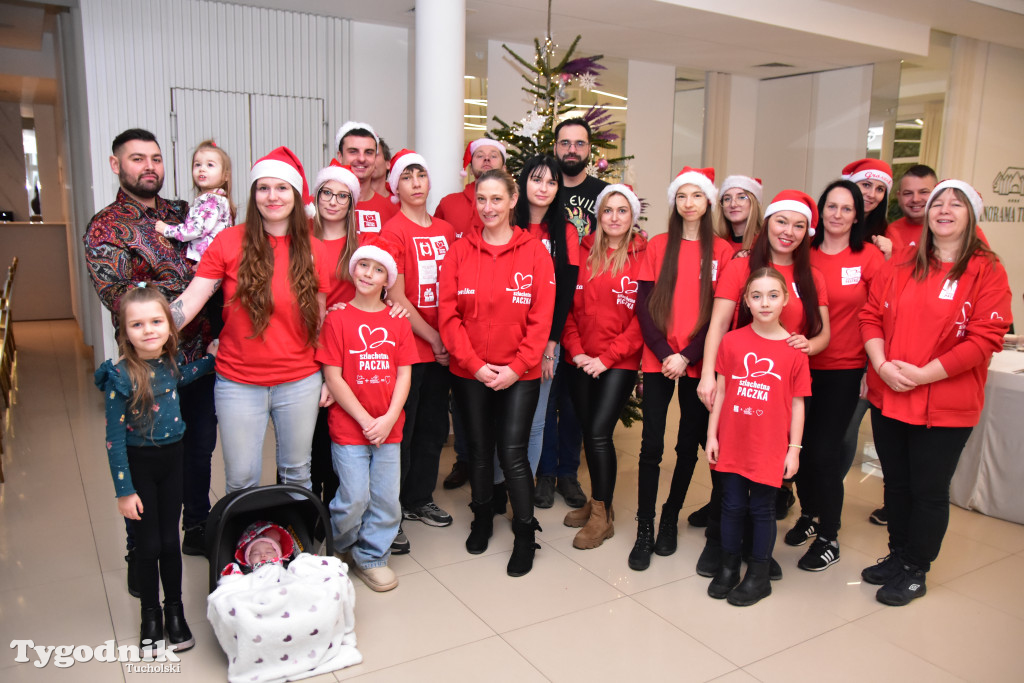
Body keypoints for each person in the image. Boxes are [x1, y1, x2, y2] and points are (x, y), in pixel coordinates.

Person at [859, 179, 1011, 606]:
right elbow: (870, 317)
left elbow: (985, 339)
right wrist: (882, 364)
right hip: (890, 393)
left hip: (944, 403)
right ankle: (898, 554)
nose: (943, 209)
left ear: (971, 215)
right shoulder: (903, 264)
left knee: (927, 489)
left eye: (955, 203)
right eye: (937, 203)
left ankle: (916, 568)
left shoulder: (987, 269)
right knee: (897, 486)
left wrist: (925, 375)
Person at [83, 128, 218, 583]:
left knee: (198, 448)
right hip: (147, 370)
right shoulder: (105, 228)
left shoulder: (186, 213)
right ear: (116, 165)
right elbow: (121, 300)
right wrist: (189, 298)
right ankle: (138, 548)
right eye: (138, 159)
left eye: (156, 158)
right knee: (147, 458)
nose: (150, 167)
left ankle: (195, 525)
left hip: (201, 356)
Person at [170, 146, 330, 493]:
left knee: (297, 474)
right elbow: (192, 299)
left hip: (300, 381)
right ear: (253, 193)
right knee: (241, 479)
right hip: (238, 383)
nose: (272, 196)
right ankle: (246, 546)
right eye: (263, 187)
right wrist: (145, 337)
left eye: (282, 188)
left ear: (295, 193)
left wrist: (329, 376)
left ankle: (294, 544)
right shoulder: (229, 242)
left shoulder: (315, 251)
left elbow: (321, 322)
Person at [697, 189, 829, 578]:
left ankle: (758, 551)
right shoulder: (741, 266)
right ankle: (720, 543)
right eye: (781, 221)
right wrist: (708, 375)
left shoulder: (811, 275)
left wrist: (808, 345)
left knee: (766, 481)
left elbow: (823, 334)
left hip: (782, 381)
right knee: (729, 472)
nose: (788, 231)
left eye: (799, 225)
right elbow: (719, 324)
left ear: (807, 232)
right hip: (736, 377)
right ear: (766, 223)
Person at [439, 169, 555, 577]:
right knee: (479, 450)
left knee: (513, 453)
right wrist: (475, 365)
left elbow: (542, 319)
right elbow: (448, 315)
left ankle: (525, 533)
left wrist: (516, 366)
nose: (488, 207)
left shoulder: (535, 252)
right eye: (481, 199)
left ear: (512, 201)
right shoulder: (458, 252)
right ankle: (483, 517)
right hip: (470, 371)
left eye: (496, 199)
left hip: (518, 374)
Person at [95, 284, 216, 654]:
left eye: (156, 321)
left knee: (168, 543)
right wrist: (124, 491)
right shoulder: (120, 377)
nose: (148, 330)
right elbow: (114, 440)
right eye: (137, 324)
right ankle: (150, 614)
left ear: (169, 326)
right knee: (147, 545)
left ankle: (174, 611)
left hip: (172, 461)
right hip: (140, 468)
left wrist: (212, 359)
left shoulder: (169, 364)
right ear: (124, 332)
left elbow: (182, 378)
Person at [629, 167, 734, 571]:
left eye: (698, 196)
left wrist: (687, 355)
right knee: (651, 446)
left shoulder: (722, 252)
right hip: (658, 360)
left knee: (687, 444)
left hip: (698, 362)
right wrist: (662, 351)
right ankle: (645, 527)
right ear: (676, 202)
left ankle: (670, 518)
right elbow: (644, 304)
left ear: (708, 202)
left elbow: (719, 314)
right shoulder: (658, 245)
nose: (689, 203)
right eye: (683, 196)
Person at [785, 180, 885, 571]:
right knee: (801, 449)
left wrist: (872, 367)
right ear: (820, 212)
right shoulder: (802, 254)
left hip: (845, 369)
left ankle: (830, 536)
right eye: (831, 206)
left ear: (857, 215)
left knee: (825, 453)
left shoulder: (870, 258)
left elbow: (881, 316)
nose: (838, 215)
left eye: (847, 208)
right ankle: (810, 514)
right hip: (799, 367)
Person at [705, 268, 810, 606]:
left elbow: (797, 405)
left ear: (785, 300)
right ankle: (729, 565)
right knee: (732, 506)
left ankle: (759, 575)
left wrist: (794, 450)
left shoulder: (795, 351)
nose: (765, 303)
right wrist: (712, 436)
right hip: (733, 441)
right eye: (756, 296)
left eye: (773, 295)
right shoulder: (733, 341)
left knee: (762, 509)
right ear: (746, 302)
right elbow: (721, 391)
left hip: (770, 447)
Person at [318, 242, 416, 593]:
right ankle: (341, 545)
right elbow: (333, 375)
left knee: (387, 498)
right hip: (349, 428)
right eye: (363, 266)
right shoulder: (337, 317)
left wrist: (388, 418)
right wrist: (364, 420)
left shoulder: (397, 321)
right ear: (353, 269)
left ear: (387, 280)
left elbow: (404, 375)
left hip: (389, 428)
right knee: (354, 496)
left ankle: (373, 556)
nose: (368, 274)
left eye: (378, 270)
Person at [561, 184, 646, 549]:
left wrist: (606, 359)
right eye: (608, 210)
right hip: (579, 358)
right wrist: (578, 352)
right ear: (599, 215)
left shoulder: (644, 255)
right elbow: (565, 305)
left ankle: (601, 516)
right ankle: (600, 502)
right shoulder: (581, 251)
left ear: (633, 217)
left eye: (622, 210)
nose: (614, 217)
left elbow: (644, 318)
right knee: (587, 431)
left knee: (598, 432)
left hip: (618, 362)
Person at [380, 149, 456, 531]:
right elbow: (396, 296)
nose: (415, 183)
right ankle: (391, 507)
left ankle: (419, 499)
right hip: (411, 348)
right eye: (406, 177)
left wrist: (450, 338)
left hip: (443, 350)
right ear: (396, 186)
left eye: (421, 175)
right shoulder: (392, 231)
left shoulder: (444, 230)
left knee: (433, 429)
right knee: (404, 431)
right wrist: (434, 337)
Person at [541, 117, 609, 509]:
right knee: (546, 399)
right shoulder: (541, 189)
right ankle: (545, 472)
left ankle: (568, 472)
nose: (571, 150)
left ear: (588, 149)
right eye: (564, 143)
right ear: (555, 146)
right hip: (545, 312)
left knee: (574, 402)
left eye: (579, 144)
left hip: (584, 314)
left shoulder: (603, 194)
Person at [436, 138, 508, 491]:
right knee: (464, 410)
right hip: (462, 324)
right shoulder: (449, 204)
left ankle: (494, 477)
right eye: (480, 154)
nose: (486, 159)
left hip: (503, 337)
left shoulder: (508, 209)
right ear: (470, 163)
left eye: (493, 155)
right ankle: (465, 460)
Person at [518, 155, 580, 509]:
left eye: (551, 182)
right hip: (506, 337)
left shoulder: (565, 232)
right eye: (537, 180)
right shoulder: (510, 224)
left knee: (537, 421)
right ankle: (503, 487)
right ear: (524, 183)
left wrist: (551, 345)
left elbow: (566, 293)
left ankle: (524, 491)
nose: (543, 188)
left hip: (544, 340)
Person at [307, 160, 362, 536]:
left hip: (344, 353)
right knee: (304, 440)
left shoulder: (360, 246)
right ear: (317, 195)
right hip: (304, 346)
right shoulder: (299, 239)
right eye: (327, 193)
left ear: (350, 203)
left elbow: (371, 294)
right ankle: (301, 513)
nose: (333, 201)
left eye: (342, 196)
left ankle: (332, 514)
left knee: (335, 436)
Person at [840, 158, 894, 525]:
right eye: (865, 186)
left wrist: (871, 362)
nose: (871, 195)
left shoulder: (886, 245)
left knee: (847, 432)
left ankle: (827, 501)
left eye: (880, 189)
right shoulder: (826, 237)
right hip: (826, 354)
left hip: (867, 358)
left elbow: (885, 309)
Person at [155, 139, 236, 262]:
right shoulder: (217, 198)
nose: (202, 169)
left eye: (210, 165)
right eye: (197, 164)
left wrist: (167, 229)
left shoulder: (211, 200)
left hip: (210, 262)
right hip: (212, 260)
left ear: (225, 175)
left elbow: (196, 229)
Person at [334, 121, 398, 235]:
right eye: (353, 151)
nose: (362, 158)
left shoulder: (392, 211)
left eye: (369, 152)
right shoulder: (320, 207)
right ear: (340, 156)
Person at [886, 165, 936, 251]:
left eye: (923, 192)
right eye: (908, 193)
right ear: (899, 197)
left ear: (937, 194)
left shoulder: (947, 231)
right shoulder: (888, 233)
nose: (915, 199)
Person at [715, 175, 764, 253]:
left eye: (741, 197)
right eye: (727, 199)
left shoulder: (765, 244)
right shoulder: (716, 245)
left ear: (754, 203)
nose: (733, 204)